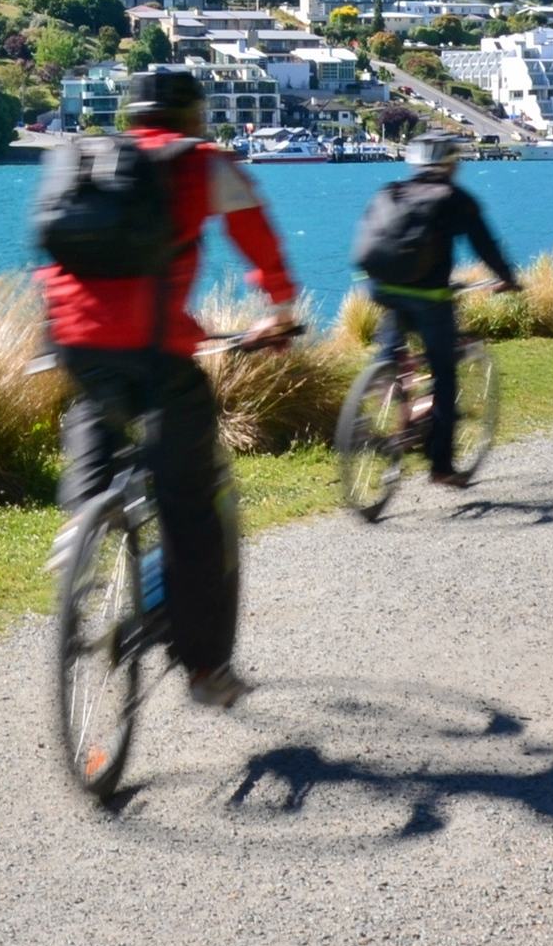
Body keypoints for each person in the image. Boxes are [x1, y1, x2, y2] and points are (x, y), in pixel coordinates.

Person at [36, 66, 298, 710]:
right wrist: (280, 311)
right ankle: (207, 669)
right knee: (193, 509)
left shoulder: (88, 157)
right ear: (193, 114)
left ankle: (83, 519)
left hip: (72, 337)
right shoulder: (201, 162)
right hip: (156, 348)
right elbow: (259, 240)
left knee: (95, 406)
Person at [353, 136, 519, 486]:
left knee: (392, 350)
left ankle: (383, 389)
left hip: (380, 287)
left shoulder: (391, 192)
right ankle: (441, 466)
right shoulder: (456, 199)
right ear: (452, 164)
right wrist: (507, 278)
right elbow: (485, 246)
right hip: (429, 296)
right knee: (444, 373)